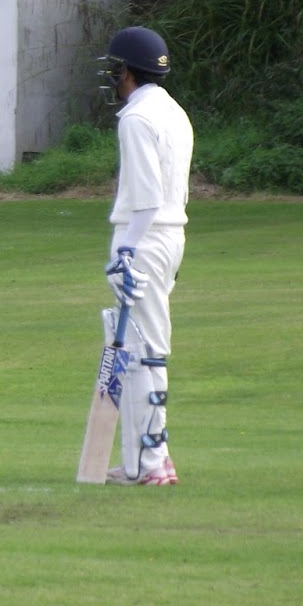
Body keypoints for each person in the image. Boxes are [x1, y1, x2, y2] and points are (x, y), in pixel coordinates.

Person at [98, 26, 195, 486]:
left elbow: (147, 198)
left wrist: (126, 251)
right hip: (170, 238)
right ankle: (154, 457)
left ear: (127, 72)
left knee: (145, 350)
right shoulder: (173, 111)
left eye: (115, 69)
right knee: (148, 347)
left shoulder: (136, 118)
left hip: (145, 239)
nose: (112, 77)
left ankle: (150, 463)